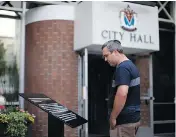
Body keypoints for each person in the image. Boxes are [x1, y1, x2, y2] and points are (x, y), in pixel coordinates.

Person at [101, 40, 140, 137]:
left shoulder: (123, 68)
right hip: (131, 119)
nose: (105, 59)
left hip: (123, 122)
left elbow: (122, 94)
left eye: (106, 55)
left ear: (115, 52)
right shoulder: (131, 65)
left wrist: (113, 117)